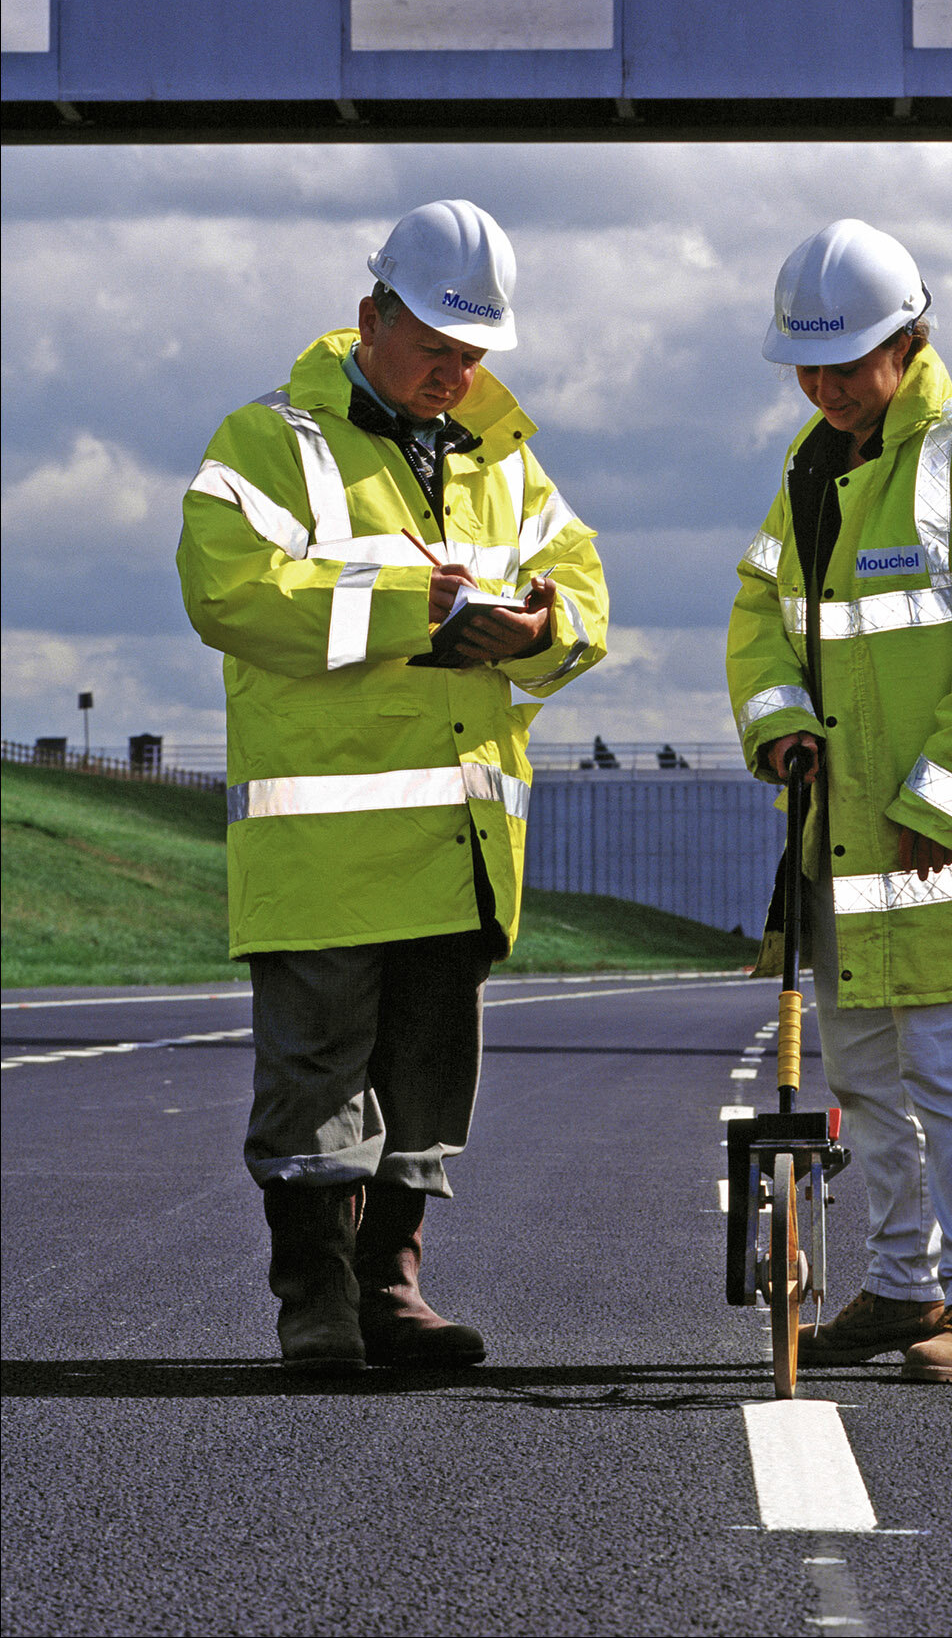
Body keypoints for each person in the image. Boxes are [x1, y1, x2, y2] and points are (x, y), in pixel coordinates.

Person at [177, 199, 607, 1370]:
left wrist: (532, 631)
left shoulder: (505, 456)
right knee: (315, 1076)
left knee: (426, 1072)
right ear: (371, 315)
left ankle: (393, 1284)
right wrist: (403, 611)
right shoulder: (271, 440)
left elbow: (586, 599)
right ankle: (315, 1295)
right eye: (435, 349)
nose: (454, 374)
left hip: (456, 838)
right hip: (323, 843)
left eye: (473, 355)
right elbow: (225, 590)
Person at [727, 219, 952, 1384]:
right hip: (847, 856)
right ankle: (900, 1285)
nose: (824, 387)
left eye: (844, 364)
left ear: (909, 340)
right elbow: (761, 611)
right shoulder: (810, 469)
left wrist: (942, 803)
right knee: (868, 1082)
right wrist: (778, 722)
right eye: (807, 367)